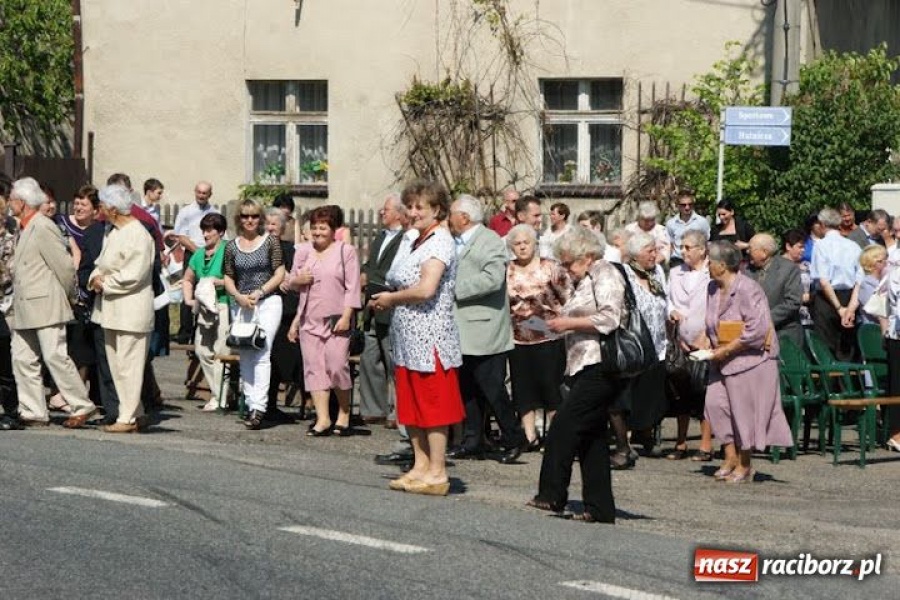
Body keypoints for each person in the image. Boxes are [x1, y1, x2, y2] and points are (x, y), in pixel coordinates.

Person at [369, 179, 465, 496]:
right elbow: (395, 275)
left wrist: (391, 299)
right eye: (409, 206)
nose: (412, 212)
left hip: (431, 335)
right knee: (410, 404)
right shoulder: (414, 239)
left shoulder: (440, 241)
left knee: (434, 406)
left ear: (437, 209)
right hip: (407, 334)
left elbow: (426, 289)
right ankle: (419, 465)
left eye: (419, 207)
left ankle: (437, 471)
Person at [528, 226, 627, 523]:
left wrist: (568, 324)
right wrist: (548, 326)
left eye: (570, 262)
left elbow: (610, 318)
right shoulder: (586, 279)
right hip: (582, 363)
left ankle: (551, 495)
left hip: (602, 364)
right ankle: (599, 507)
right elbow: (576, 321)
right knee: (591, 438)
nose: (568, 269)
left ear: (587, 255)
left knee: (563, 428)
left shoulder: (605, 272)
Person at [7, 177, 97, 428]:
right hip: (26, 305)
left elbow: (64, 266)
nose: (10, 204)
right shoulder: (23, 227)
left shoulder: (43, 226)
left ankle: (82, 404)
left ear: (23, 202)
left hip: (46, 303)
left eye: (13, 200)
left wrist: (70, 296)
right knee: (22, 358)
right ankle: (34, 409)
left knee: (55, 356)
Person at [700, 241, 793, 483]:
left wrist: (728, 349)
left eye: (710, 261)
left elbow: (758, 329)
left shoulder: (748, 289)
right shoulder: (712, 287)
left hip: (750, 360)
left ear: (721, 266)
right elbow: (711, 322)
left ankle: (745, 463)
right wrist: (706, 342)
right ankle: (729, 456)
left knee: (743, 412)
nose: (707, 265)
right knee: (715, 406)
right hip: (720, 359)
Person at [446, 194, 527, 464]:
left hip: (485, 329)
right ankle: (473, 440)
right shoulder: (455, 242)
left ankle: (515, 438)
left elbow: (493, 279)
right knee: (467, 388)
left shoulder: (489, 240)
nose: (449, 218)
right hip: (462, 329)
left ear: (465, 217)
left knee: (492, 388)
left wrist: (454, 290)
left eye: (452, 213)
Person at [88, 184, 155, 433]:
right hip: (110, 310)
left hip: (131, 311)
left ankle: (126, 417)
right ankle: (134, 412)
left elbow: (135, 274)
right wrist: (95, 277)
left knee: (130, 365)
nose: (101, 210)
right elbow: (101, 263)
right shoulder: (113, 231)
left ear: (113, 209)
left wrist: (105, 282)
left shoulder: (138, 234)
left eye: (104, 205)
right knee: (117, 364)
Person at [288, 205, 360, 436]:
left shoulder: (345, 251)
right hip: (309, 318)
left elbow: (353, 286)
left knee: (337, 365)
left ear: (333, 230)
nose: (318, 232)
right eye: (314, 228)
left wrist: (348, 315)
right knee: (314, 369)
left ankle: (344, 413)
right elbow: (289, 282)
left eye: (323, 228)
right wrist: (299, 279)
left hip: (336, 319)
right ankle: (322, 419)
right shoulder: (303, 251)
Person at [506, 224, 569, 451]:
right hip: (518, 338)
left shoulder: (550, 268)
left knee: (551, 389)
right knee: (523, 390)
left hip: (549, 337)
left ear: (535, 244)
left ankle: (555, 436)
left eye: (526, 242)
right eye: (517, 243)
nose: (522, 247)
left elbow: (566, 298)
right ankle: (529, 436)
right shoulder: (508, 269)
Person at [224, 199, 285, 429]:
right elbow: (228, 276)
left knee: (261, 350)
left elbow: (279, 273)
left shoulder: (270, 242)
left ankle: (260, 406)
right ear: (239, 219)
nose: (250, 220)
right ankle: (250, 403)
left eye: (254, 216)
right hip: (241, 303)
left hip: (267, 301)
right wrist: (239, 296)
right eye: (245, 216)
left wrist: (260, 292)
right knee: (245, 351)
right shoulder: (231, 246)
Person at [617, 232, 669, 464]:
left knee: (650, 391)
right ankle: (625, 440)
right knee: (629, 391)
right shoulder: (624, 273)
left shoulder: (656, 272)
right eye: (650, 251)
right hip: (634, 342)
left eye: (655, 250)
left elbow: (664, 299)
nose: (654, 255)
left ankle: (646, 433)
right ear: (637, 253)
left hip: (657, 343)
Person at [359, 192, 407, 426]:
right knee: (370, 358)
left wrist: (369, 278)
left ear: (399, 213)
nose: (381, 212)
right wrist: (363, 273)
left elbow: (393, 272)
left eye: (386, 209)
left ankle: (398, 411)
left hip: (390, 304)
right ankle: (373, 408)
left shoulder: (407, 239)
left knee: (393, 360)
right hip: (370, 305)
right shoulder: (381, 236)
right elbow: (370, 265)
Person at [666, 230, 714, 461]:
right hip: (680, 340)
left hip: (705, 339)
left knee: (704, 391)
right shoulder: (675, 273)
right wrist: (671, 312)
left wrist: (706, 336)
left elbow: (716, 306)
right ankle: (681, 441)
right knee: (681, 391)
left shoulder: (712, 273)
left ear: (702, 249)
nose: (683, 252)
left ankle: (705, 444)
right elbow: (668, 300)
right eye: (681, 247)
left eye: (688, 247)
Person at [182, 212, 230, 412]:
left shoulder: (228, 251)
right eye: (204, 230)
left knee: (222, 351)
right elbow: (187, 278)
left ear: (220, 232)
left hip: (223, 304)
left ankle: (221, 398)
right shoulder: (199, 254)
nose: (206, 234)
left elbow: (233, 278)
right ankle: (217, 393)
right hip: (203, 308)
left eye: (210, 230)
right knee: (202, 350)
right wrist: (188, 298)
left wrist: (214, 282)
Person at [263, 208, 302, 422]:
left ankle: (278, 404)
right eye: (267, 223)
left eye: (274, 224)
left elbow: (297, 274)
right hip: (265, 306)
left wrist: (291, 278)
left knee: (283, 357)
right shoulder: (260, 248)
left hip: (286, 310)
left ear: (283, 227)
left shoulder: (290, 249)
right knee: (266, 359)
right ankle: (265, 404)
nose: (270, 227)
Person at [810, 207, 863, 361]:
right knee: (847, 347)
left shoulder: (820, 245)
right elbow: (860, 280)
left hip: (827, 299)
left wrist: (839, 308)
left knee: (826, 347)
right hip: (850, 295)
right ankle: (848, 383)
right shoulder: (853, 246)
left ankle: (830, 383)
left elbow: (824, 281)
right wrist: (851, 309)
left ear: (821, 224)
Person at [170, 181, 219, 344]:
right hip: (192, 254)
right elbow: (181, 237)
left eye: (204, 193)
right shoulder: (186, 212)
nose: (201, 195)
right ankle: (185, 331)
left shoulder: (214, 213)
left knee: (205, 290)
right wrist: (198, 252)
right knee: (188, 290)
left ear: (210, 194)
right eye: (199, 192)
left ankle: (201, 329)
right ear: (195, 192)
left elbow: (220, 236)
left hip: (210, 254)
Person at [746, 233, 804, 347]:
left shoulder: (788, 269)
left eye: (750, 249)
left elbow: (793, 301)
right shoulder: (746, 271)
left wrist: (765, 319)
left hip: (784, 335)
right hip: (754, 336)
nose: (747, 252)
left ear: (764, 252)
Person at [666, 188, 710, 266]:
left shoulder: (702, 222)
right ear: (678, 206)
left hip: (697, 261)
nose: (687, 207)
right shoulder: (671, 223)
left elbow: (706, 242)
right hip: (677, 261)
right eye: (683, 205)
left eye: (690, 204)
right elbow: (670, 244)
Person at [857, 245, 888, 325]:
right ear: (873, 263)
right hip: (876, 332)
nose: (888, 262)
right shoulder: (866, 286)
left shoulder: (885, 281)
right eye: (884, 260)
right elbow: (879, 314)